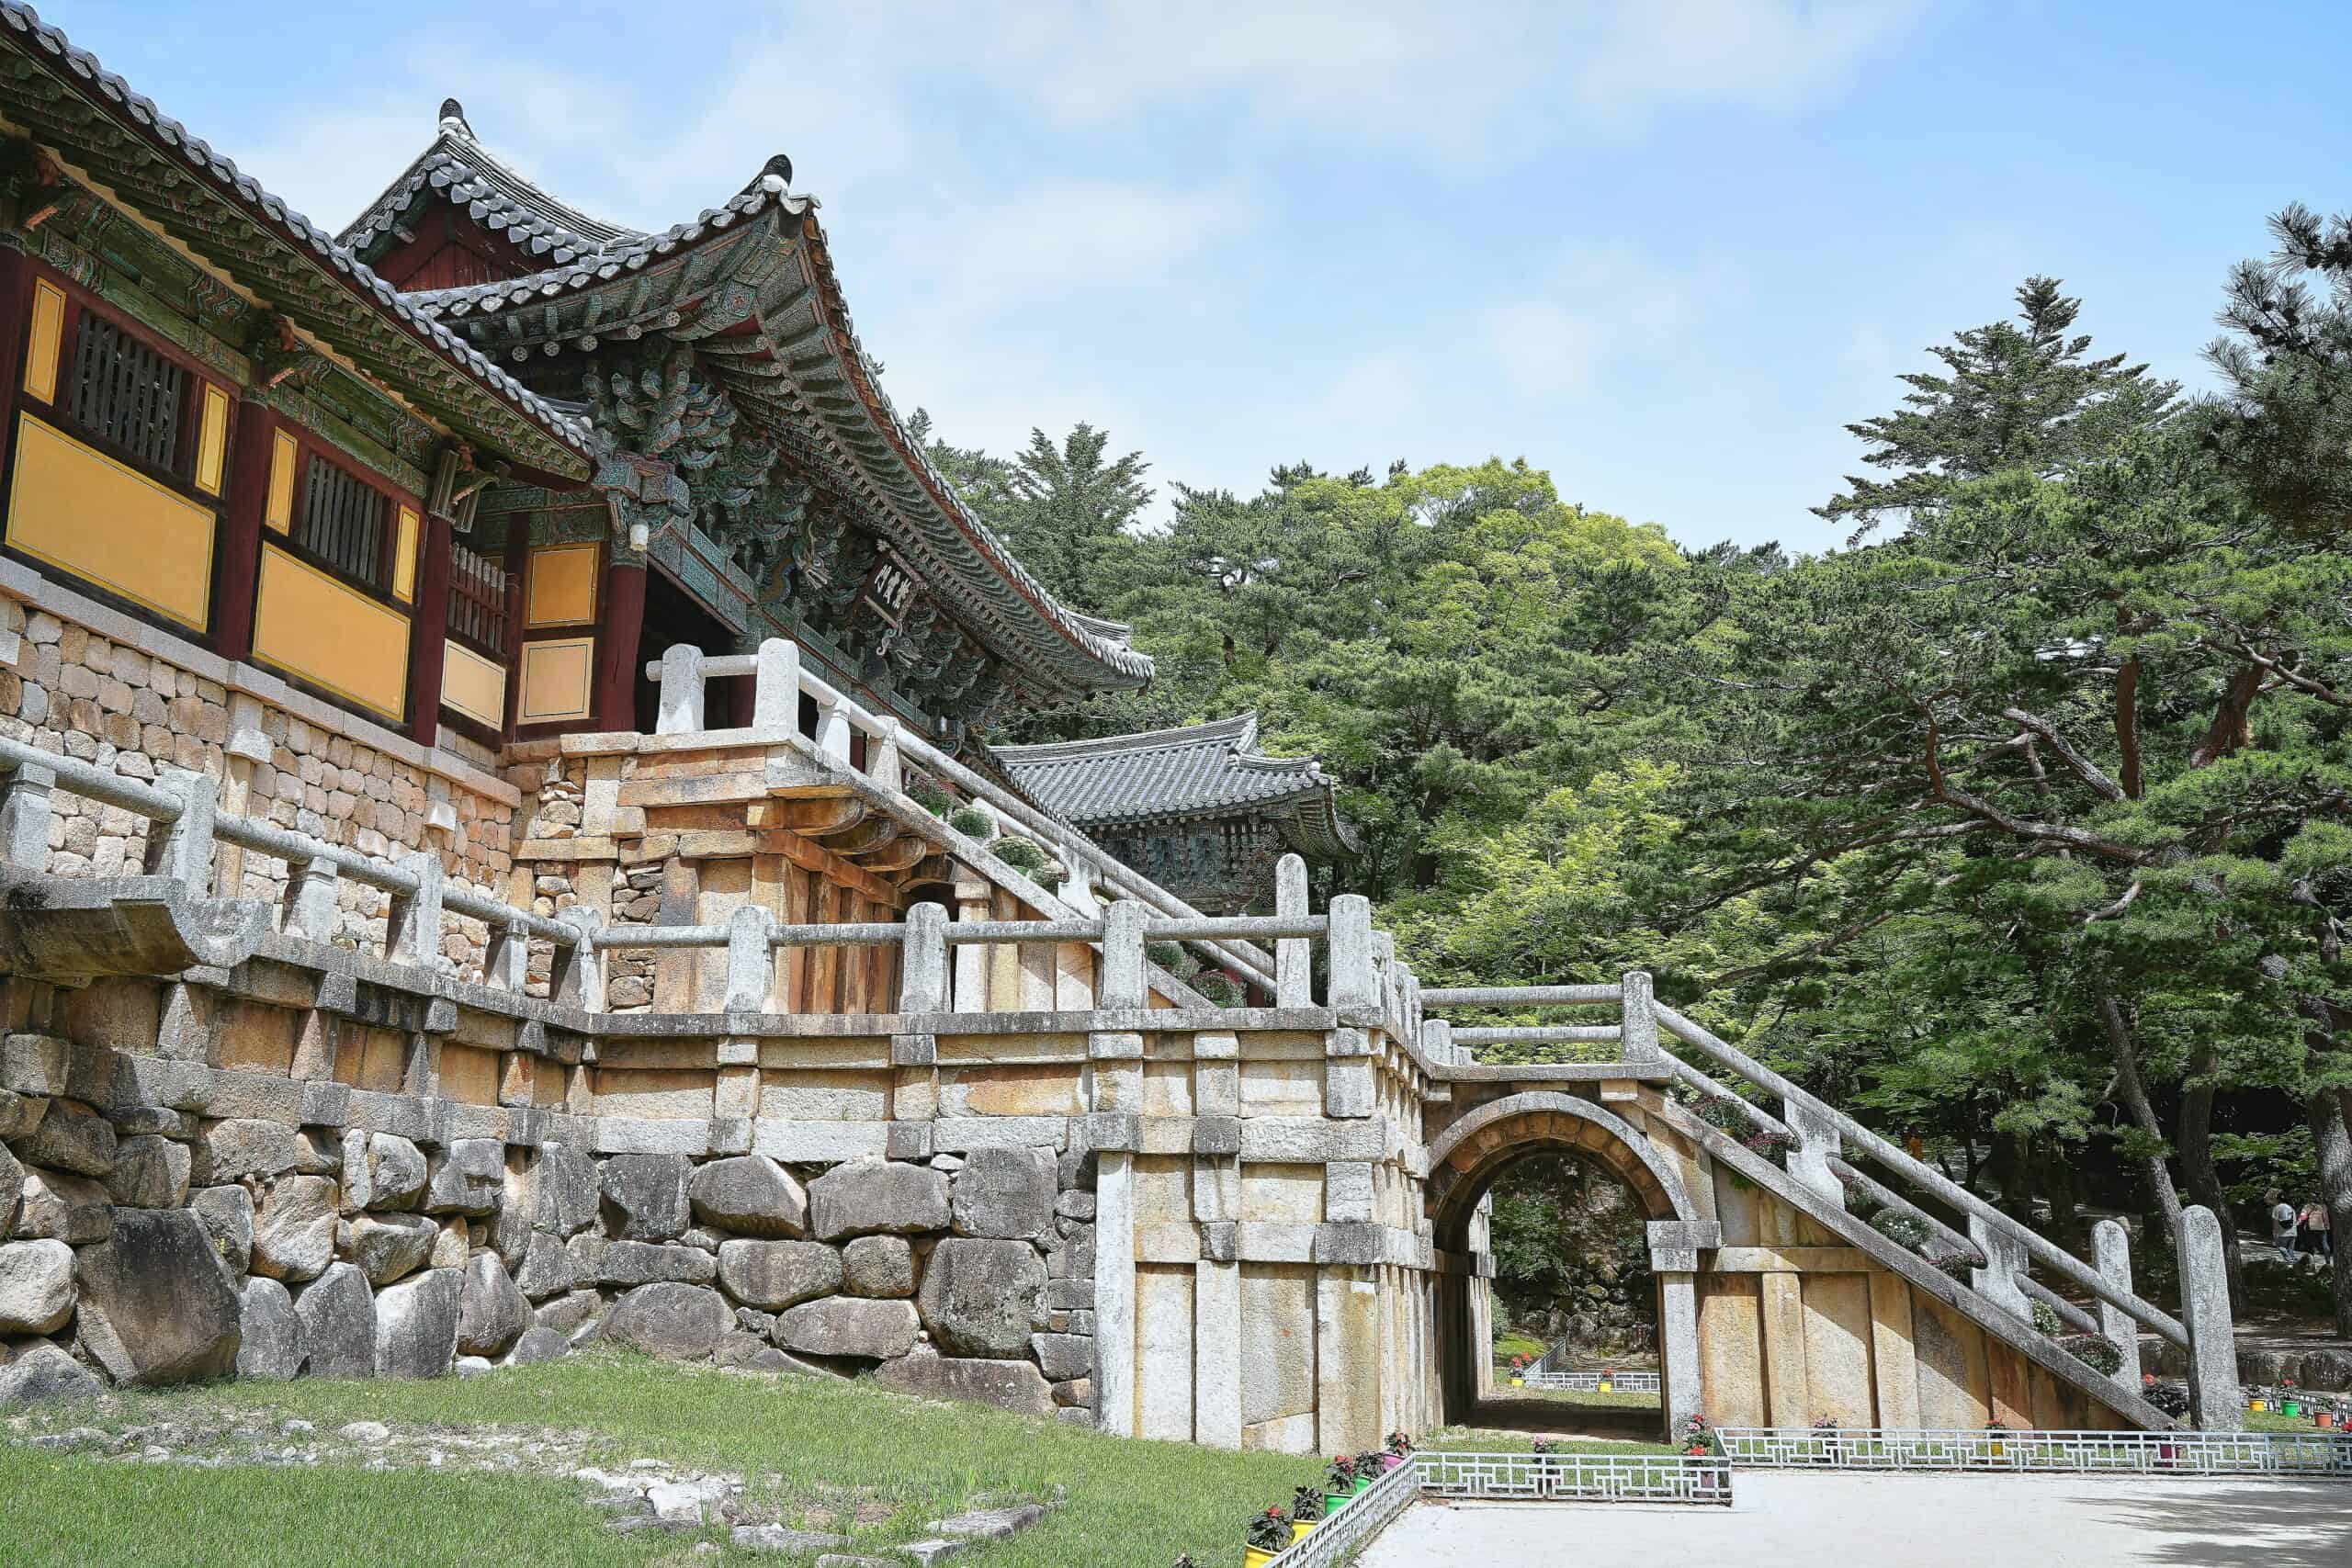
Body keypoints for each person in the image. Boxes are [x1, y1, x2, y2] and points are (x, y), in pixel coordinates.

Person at [2269, 1189, 2299, 1264]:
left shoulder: (2277, 1208)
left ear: (2278, 1199)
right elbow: (2294, 1221)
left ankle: (2290, 1260)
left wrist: (2275, 1233)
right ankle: (2294, 1262)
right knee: (2290, 1249)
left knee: (2281, 1247)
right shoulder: (2291, 1208)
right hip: (2293, 1232)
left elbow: (2275, 1222)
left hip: (2283, 1233)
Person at [2302, 1200, 2333, 1271]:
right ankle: (2328, 1263)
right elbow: (2325, 1217)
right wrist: (2327, 1226)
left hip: (2310, 1227)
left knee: (2310, 1245)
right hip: (2321, 1228)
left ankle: (2312, 1266)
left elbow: (2303, 1217)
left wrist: (2299, 1223)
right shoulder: (2323, 1206)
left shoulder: (2307, 1206)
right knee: (2324, 1243)